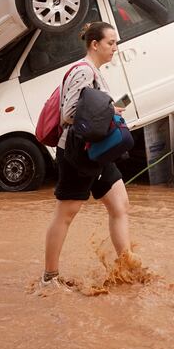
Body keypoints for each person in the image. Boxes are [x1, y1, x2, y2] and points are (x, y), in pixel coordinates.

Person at [42, 21, 131, 285]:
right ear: (95, 44)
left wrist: (110, 112)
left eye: (116, 43)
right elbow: (69, 115)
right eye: (111, 43)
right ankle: (49, 277)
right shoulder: (83, 72)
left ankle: (127, 268)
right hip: (77, 154)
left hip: (97, 152)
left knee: (120, 205)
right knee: (66, 213)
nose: (115, 48)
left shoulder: (95, 71)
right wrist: (111, 112)